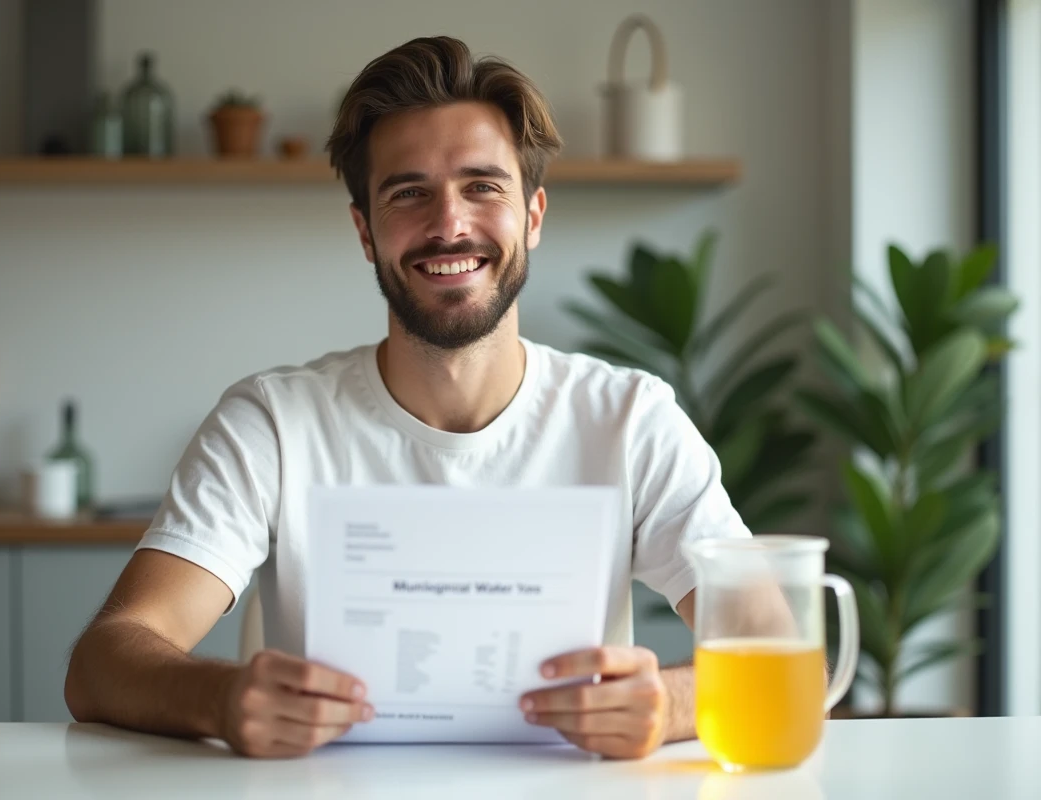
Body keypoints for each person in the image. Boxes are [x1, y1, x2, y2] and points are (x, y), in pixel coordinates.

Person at [64, 35, 751, 761]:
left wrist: (674, 703)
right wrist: (222, 699)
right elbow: (103, 660)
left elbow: (777, 640)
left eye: (483, 186)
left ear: (535, 215)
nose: (448, 223)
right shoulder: (273, 424)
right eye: (408, 192)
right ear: (365, 230)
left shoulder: (630, 420)